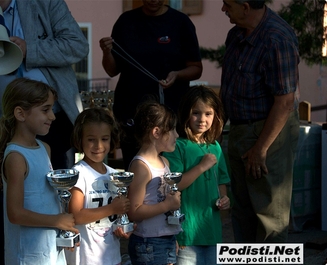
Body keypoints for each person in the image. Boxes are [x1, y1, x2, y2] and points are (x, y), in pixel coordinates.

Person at [0, 0, 89, 263]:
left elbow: (77, 45)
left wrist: (29, 49)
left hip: (53, 126)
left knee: (59, 203)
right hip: (0, 129)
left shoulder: (44, 3)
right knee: (2, 212)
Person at [220, 0, 300, 243]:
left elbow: (284, 102)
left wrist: (261, 148)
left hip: (268, 133)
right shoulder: (236, 34)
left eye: (227, 4)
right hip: (240, 130)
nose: (224, 9)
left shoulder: (277, 39)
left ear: (245, 6)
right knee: (242, 211)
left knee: (269, 217)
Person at [99, 0, 203, 170]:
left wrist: (176, 75)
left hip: (169, 115)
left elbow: (196, 68)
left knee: (170, 170)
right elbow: (112, 70)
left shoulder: (181, 22)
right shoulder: (126, 21)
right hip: (132, 114)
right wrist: (106, 52)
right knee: (136, 169)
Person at [0, 77, 79, 264]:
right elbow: (15, 213)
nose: (52, 116)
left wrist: (63, 232)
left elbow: (48, 199)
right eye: (45, 110)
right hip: (27, 256)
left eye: (51, 109)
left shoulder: (45, 148)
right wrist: (57, 221)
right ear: (20, 114)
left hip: (51, 250)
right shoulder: (16, 158)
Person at [163, 86, 230, 265]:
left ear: (215, 116)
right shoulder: (176, 146)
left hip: (212, 233)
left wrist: (224, 199)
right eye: (196, 113)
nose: (202, 119)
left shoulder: (215, 146)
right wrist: (201, 167)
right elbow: (174, 185)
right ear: (186, 113)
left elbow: (222, 181)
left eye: (208, 114)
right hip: (186, 235)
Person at [67, 108, 131, 265]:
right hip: (86, 259)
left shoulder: (114, 174)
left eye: (104, 139)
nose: (98, 145)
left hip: (112, 256)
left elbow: (113, 218)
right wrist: (112, 209)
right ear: (80, 139)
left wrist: (121, 226)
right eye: (91, 139)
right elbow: (75, 216)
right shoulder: (78, 173)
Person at [127, 101, 182, 265]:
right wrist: (167, 205)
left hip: (166, 240)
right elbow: (133, 212)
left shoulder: (164, 161)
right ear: (156, 132)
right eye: (172, 130)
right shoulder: (141, 166)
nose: (177, 135)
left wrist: (172, 236)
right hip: (148, 244)